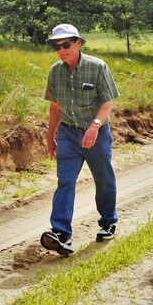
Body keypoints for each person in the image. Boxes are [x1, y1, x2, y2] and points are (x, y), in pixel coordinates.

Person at [40, 24, 120, 257]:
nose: (61, 49)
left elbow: (107, 103)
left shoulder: (97, 67)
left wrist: (94, 127)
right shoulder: (55, 71)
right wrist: (50, 135)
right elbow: (55, 106)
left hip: (96, 133)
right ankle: (61, 234)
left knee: (103, 178)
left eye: (66, 44)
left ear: (78, 43)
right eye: (57, 45)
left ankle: (108, 222)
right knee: (65, 181)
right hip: (67, 133)